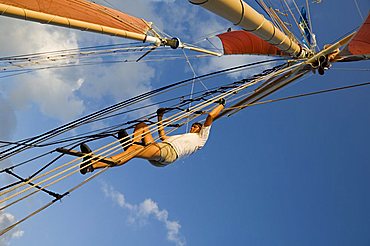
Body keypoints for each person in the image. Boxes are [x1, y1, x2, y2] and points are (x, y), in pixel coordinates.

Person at [79, 99, 225, 174]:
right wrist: (159, 117)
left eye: (197, 126)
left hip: (169, 153)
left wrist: (222, 105)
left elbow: (211, 116)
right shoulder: (183, 136)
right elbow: (162, 136)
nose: (194, 127)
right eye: (194, 125)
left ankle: (93, 165)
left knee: (132, 152)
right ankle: (132, 145)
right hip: (161, 147)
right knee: (142, 126)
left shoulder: (201, 139)